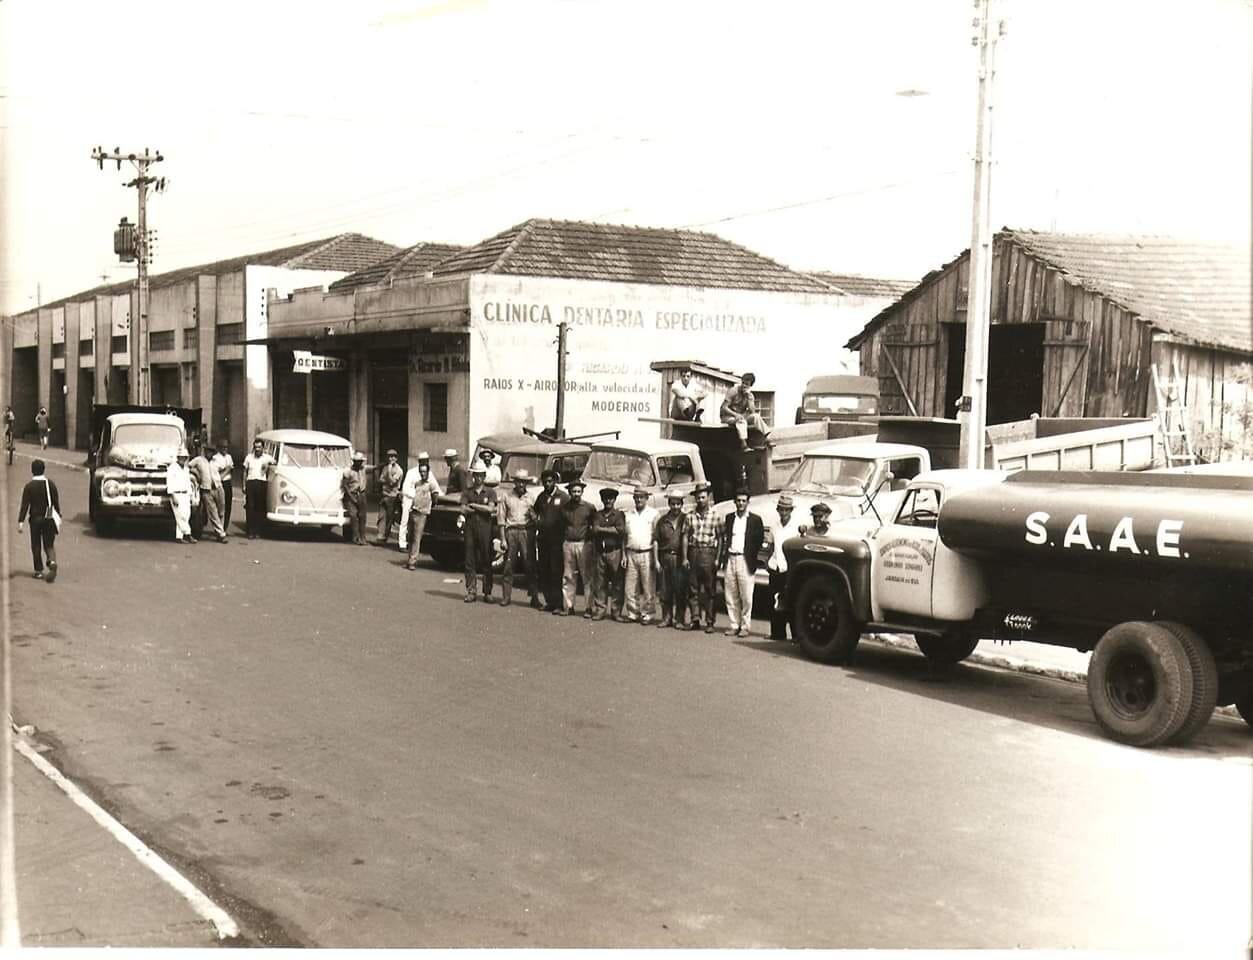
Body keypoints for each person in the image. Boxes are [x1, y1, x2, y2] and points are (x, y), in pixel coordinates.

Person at [720, 488, 765, 638]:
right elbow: (725, 538)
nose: (740, 503)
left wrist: (751, 555)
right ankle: (734, 624)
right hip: (731, 558)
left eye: (743, 501)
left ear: (748, 502)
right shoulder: (729, 518)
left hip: (745, 560)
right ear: (734, 502)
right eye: (738, 501)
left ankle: (745, 626)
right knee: (731, 594)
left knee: (746, 595)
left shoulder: (755, 520)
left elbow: (759, 540)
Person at [685, 483, 723, 633]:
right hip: (693, 551)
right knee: (693, 588)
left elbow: (720, 538)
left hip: (708, 552)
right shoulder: (690, 516)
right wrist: (685, 557)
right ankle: (695, 619)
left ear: (708, 497)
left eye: (703, 497)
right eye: (698, 497)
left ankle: (709, 621)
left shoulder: (715, 516)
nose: (700, 500)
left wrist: (717, 558)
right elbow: (684, 536)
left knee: (709, 589)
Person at [764, 494, 802, 640]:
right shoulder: (774, 526)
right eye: (782, 509)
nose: (784, 513)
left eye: (787, 510)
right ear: (778, 510)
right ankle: (777, 633)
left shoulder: (796, 528)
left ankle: (796, 635)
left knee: (791, 602)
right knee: (774, 601)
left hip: (790, 569)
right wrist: (768, 562)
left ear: (791, 511)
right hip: (776, 567)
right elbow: (771, 546)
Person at [497, 470, 537, 607]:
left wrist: (534, 517)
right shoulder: (506, 496)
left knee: (529, 564)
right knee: (509, 564)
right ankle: (506, 596)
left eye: (523, 482)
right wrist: (502, 538)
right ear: (514, 482)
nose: (521, 484)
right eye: (518, 481)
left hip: (526, 531)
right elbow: (501, 519)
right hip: (512, 531)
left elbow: (537, 517)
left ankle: (534, 597)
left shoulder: (531, 497)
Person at [557, 479, 596, 617]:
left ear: (582, 492)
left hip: (583, 544)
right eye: (573, 491)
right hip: (568, 544)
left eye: (578, 491)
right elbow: (561, 526)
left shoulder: (589, 508)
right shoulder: (564, 508)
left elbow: (593, 526)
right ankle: (569, 606)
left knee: (587, 577)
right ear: (569, 492)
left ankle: (588, 608)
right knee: (568, 576)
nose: (576, 494)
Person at [17, 459, 60, 581]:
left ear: (32, 471)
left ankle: (38, 571)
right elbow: (56, 502)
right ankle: (51, 561)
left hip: (35, 518)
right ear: (43, 470)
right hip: (48, 516)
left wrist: (20, 522)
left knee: (36, 544)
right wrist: (58, 516)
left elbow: (25, 505)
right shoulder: (50, 484)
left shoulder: (29, 486)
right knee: (49, 544)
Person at [461, 464, 498, 602]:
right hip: (470, 528)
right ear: (473, 476)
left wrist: (474, 506)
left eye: (481, 475)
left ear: (484, 476)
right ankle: (471, 590)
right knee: (470, 559)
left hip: (485, 529)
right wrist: (478, 508)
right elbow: (463, 509)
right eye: (476, 475)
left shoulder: (490, 492)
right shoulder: (467, 492)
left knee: (486, 559)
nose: (478, 478)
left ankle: (487, 591)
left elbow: (490, 510)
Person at [532, 469, 568, 612]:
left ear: (555, 481)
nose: (547, 484)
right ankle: (549, 602)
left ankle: (559, 604)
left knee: (556, 571)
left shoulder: (563, 497)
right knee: (545, 570)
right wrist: (536, 520)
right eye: (545, 482)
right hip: (543, 539)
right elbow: (534, 511)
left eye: (549, 481)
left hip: (557, 541)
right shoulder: (541, 497)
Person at [622, 486, 659, 624]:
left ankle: (648, 613)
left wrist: (655, 559)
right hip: (631, 552)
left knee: (648, 586)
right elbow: (624, 537)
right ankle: (633, 612)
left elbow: (656, 537)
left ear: (646, 498)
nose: (638, 500)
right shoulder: (628, 514)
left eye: (641, 497)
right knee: (630, 587)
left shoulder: (654, 514)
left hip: (646, 553)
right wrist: (624, 555)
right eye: (636, 497)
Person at [399, 452, 442, 570]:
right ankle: (409, 558)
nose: (423, 473)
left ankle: (413, 561)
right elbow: (406, 489)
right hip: (412, 509)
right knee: (411, 535)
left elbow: (436, 492)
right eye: (422, 461)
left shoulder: (431, 481)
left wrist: (432, 504)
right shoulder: (413, 476)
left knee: (417, 537)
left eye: (426, 460)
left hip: (422, 513)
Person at [589, 487, 626, 621]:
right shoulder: (598, 515)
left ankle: (616, 611)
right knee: (600, 582)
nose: (608, 501)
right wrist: (611, 529)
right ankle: (600, 609)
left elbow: (620, 530)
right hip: (600, 552)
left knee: (617, 582)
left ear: (614, 500)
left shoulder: (619, 515)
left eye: (610, 498)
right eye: (605, 499)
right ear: (602, 500)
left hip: (614, 551)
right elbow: (594, 530)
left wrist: (602, 529)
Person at [653, 490, 689, 629]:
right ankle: (666, 617)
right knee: (665, 589)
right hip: (665, 557)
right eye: (673, 504)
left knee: (680, 589)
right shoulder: (662, 521)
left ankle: (679, 619)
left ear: (682, 504)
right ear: (669, 504)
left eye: (678, 504)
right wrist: (656, 560)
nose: (675, 507)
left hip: (680, 557)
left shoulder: (686, 519)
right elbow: (656, 540)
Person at [719, 372, 771, 451]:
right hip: (727, 417)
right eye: (743, 383)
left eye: (747, 384)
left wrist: (748, 397)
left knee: (756, 416)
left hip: (740, 416)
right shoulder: (733, 391)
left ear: (750, 386)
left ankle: (767, 437)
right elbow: (724, 407)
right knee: (741, 420)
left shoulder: (750, 395)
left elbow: (752, 411)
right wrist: (735, 414)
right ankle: (744, 444)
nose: (744, 385)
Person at [189, 443, 226, 543]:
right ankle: (221, 534)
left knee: (221, 511)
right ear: (205, 451)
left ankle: (219, 531)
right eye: (207, 451)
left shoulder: (216, 461)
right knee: (212, 512)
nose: (209, 453)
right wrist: (196, 473)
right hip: (206, 489)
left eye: (211, 451)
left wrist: (221, 478)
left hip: (218, 487)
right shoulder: (199, 460)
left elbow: (227, 468)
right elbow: (188, 466)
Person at [242, 438, 275, 539]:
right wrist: (244, 485)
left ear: (263, 448)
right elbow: (244, 472)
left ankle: (258, 531)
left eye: (259, 447)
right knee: (250, 507)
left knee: (260, 508)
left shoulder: (267, 458)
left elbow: (276, 462)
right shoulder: (249, 457)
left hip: (261, 483)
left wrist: (268, 465)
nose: (257, 449)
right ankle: (250, 531)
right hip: (251, 482)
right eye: (256, 447)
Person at [166, 446, 196, 543]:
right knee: (180, 516)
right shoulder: (172, 468)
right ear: (178, 458)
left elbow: (188, 483)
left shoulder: (186, 469)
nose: (183, 459)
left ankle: (179, 536)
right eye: (181, 457)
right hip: (176, 494)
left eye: (185, 457)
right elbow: (169, 483)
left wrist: (191, 495)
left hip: (185, 494)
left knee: (187, 515)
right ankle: (188, 534)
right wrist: (173, 495)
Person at [375, 449, 404, 545]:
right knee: (381, 516)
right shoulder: (385, 468)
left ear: (396, 458)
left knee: (389, 518)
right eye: (389, 456)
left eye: (393, 456)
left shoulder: (398, 470)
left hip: (392, 496)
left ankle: (385, 538)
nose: (391, 458)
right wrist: (388, 476)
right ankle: (380, 536)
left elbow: (392, 482)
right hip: (384, 494)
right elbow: (380, 479)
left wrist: (389, 472)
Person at [341, 450, 370, 545]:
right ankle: (355, 537)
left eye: (361, 461)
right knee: (353, 516)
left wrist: (384, 464)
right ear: (354, 461)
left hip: (361, 494)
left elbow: (374, 468)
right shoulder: (348, 471)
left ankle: (363, 537)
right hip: (351, 494)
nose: (359, 463)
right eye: (358, 461)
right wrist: (351, 497)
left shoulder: (363, 469)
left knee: (362, 517)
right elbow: (345, 485)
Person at [210, 442, 235, 529]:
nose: (225, 449)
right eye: (223, 447)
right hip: (220, 483)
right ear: (219, 448)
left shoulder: (229, 457)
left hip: (228, 482)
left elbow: (231, 469)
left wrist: (226, 470)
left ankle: (225, 527)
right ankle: (219, 526)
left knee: (228, 505)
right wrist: (227, 469)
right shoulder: (215, 458)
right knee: (220, 506)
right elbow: (217, 474)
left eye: (226, 447)